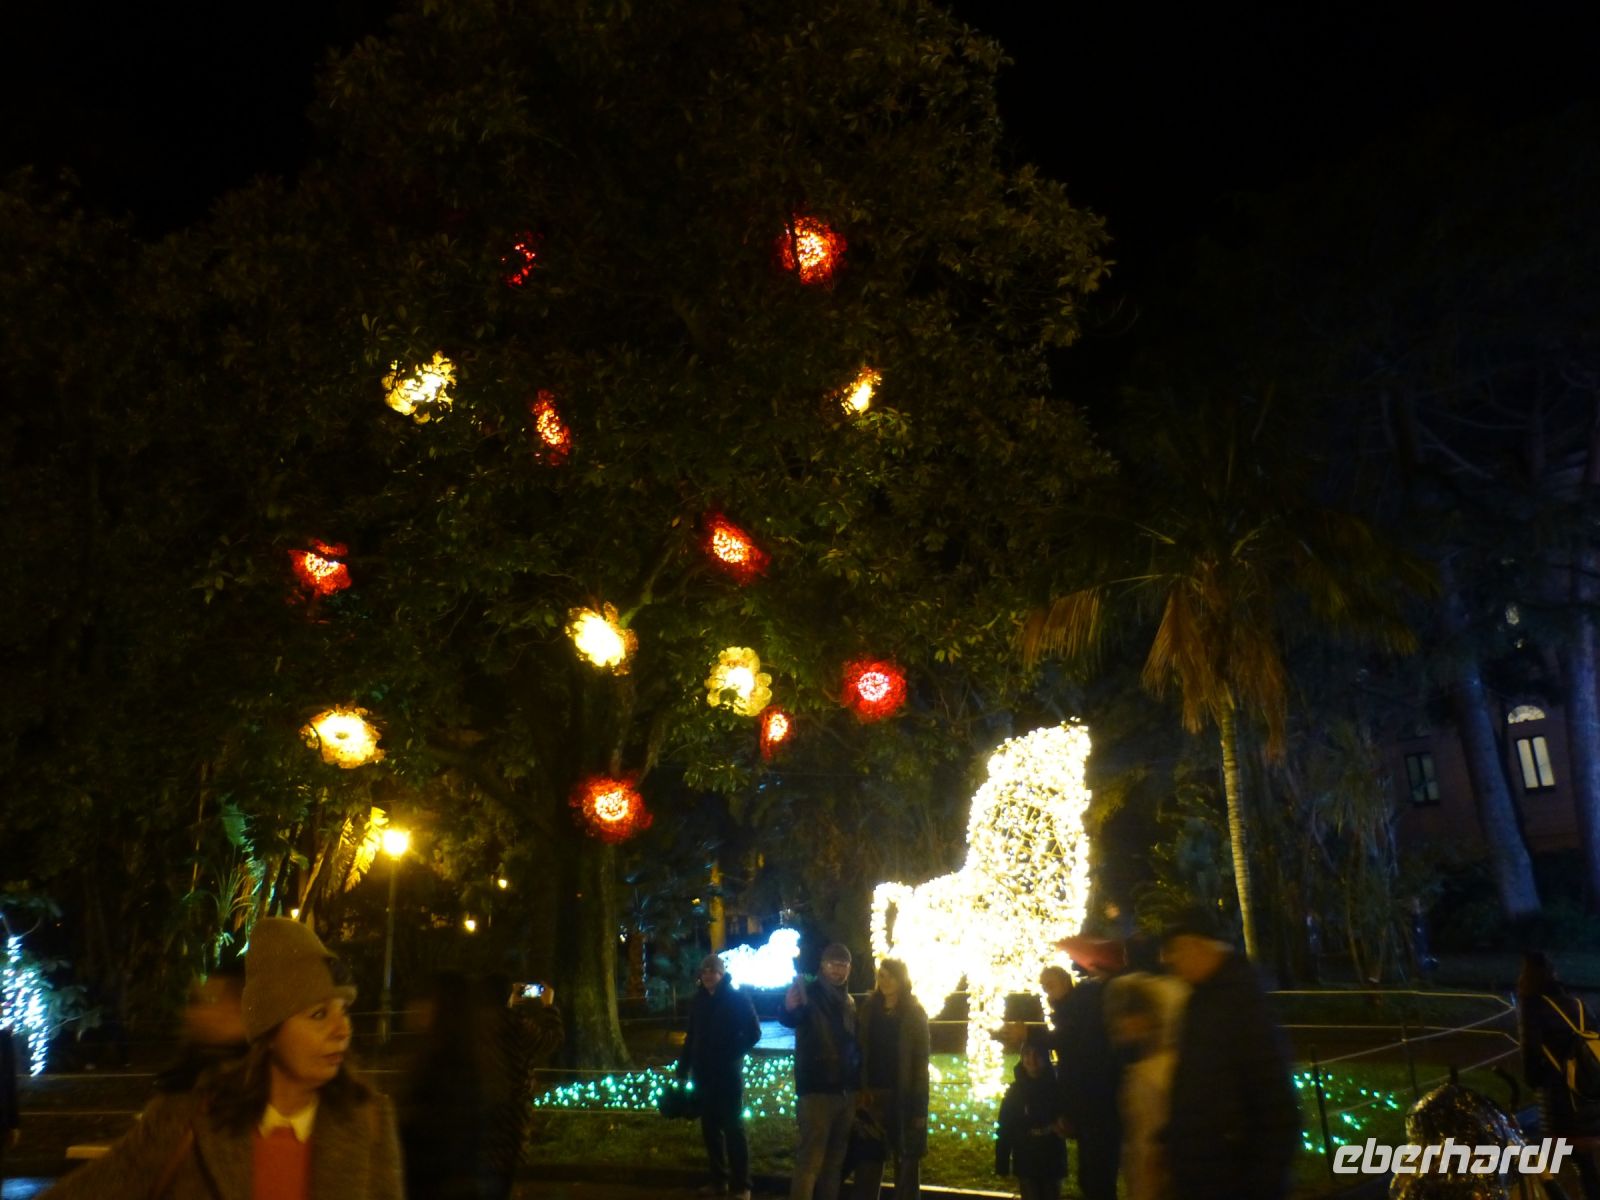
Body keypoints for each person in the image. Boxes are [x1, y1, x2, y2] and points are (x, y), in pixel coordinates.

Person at [43, 916, 403, 1200]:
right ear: (268, 1032)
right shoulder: (188, 1117)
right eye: (319, 1015)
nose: (343, 1030)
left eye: (344, 1010)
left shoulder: (369, 1120)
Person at [1159, 907, 1298, 1200]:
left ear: (1196, 945)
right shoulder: (1202, 999)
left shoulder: (1241, 1002)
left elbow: (1276, 1103)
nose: (1168, 960)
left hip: (1231, 1179)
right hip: (1206, 1172)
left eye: (1174, 949)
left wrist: (1259, 1182)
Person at [398, 970, 501, 1200]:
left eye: (425, 998)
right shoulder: (457, 1058)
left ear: (443, 1008)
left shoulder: (448, 1066)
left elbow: (438, 1141)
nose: (413, 1006)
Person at [778, 942, 860, 1200]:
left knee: (834, 1164)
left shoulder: (848, 1001)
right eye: (832, 965)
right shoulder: (809, 994)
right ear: (822, 966)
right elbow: (792, 1016)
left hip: (845, 1093)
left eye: (843, 965)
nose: (838, 971)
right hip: (816, 1091)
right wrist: (788, 1008)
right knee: (810, 1162)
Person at [678, 954, 762, 1200]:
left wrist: (732, 1054)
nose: (708, 976)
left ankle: (742, 1184)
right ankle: (719, 1180)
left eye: (713, 971)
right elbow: (691, 1036)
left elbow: (754, 1032)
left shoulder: (736, 999)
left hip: (727, 1075)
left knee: (734, 1129)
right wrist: (683, 1069)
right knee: (710, 1129)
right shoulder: (699, 1001)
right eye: (704, 971)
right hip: (703, 1075)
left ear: (721, 974)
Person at [1518, 950, 1600, 1200]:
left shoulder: (1532, 1010)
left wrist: (1538, 1080)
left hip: (1561, 1100)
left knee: (1553, 1160)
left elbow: (1531, 1059)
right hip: (1591, 1094)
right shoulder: (1579, 1004)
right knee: (1584, 1162)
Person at [1051, 939, 1125, 1200]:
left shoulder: (1097, 999)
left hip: (1100, 1107)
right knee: (1093, 1177)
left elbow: (1077, 1053)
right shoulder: (1091, 997)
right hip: (1092, 1108)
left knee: (1098, 1178)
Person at [1104, 971, 1187, 1200]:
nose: (1119, 1023)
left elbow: (1153, 1142)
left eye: (1125, 1015)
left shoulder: (1155, 1072)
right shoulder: (1146, 1065)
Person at [852, 958, 929, 1200]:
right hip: (872, 1095)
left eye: (889, 976)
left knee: (905, 1162)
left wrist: (919, 1107)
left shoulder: (914, 1013)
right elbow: (859, 1049)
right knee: (868, 1162)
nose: (883, 981)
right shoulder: (869, 1009)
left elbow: (920, 1063)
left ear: (901, 979)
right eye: (880, 976)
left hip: (901, 1095)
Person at [996, 1033, 1067, 1200]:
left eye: (1037, 1054)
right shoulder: (1015, 1091)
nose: (1032, 1059)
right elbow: (1005, 1125)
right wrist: (1002, 1161)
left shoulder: (1055, 1089)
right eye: (1027, 1054)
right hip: (1026, 1158)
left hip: (1051, 1158)